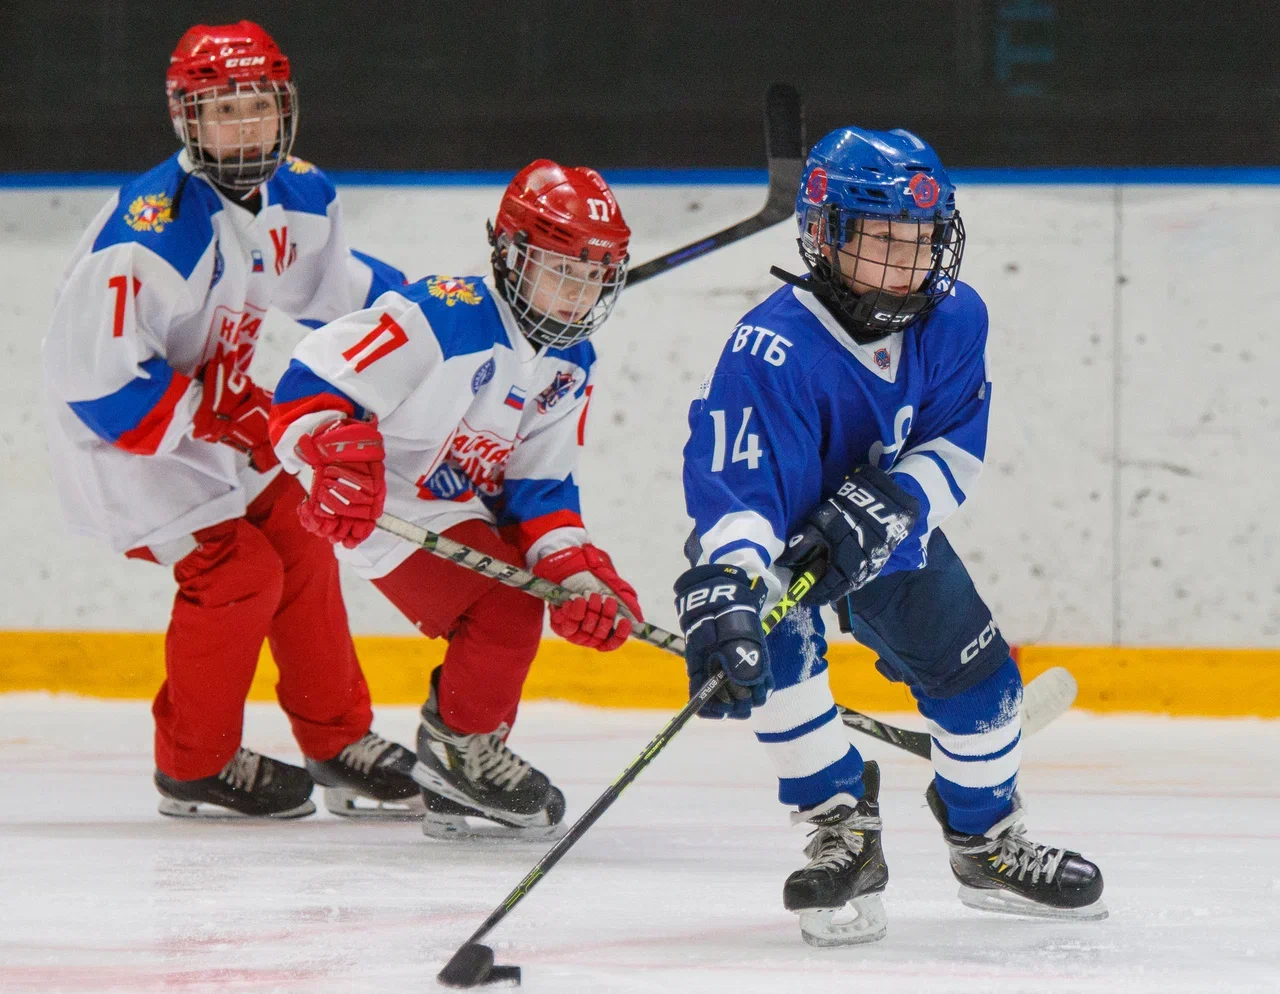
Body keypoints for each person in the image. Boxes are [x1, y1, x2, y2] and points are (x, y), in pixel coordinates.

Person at [674, 126, 1105, 946]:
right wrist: (732, 583)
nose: (907, 262)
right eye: (882, 240)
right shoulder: (769, 350)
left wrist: (898, 506)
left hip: (890, 534)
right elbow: (737, 490)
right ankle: (841, 828)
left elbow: (954, 448)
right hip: (783, 544)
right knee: (778, 654)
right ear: (824, 234)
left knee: (982, 684)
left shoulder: (956, 318)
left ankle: (988, 842)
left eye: (920, 240)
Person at [41, 21, 418, 819]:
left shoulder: (298, 195)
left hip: (208, 410)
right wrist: (216, 414)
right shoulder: (152, 235)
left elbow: (340, 294)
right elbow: (98, 386)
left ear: (286, 109)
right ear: (188, 121)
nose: (244, 128)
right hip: (120, 438)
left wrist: (435, 313)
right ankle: (194, 764)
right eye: (223, 111)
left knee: (300, 531)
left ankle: (336, 741)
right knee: (235, 572)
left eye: (257, 107)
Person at [268, 159, 643, 840]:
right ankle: (456, 753)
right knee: (505, 604)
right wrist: (331, 456)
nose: (577, 294)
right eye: (561, 269)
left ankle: (466, 756)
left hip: (453, 503)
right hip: (376, 498)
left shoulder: (571, 363)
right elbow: (312, 381)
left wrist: (577, 572)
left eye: (594, 276)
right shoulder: (445, 314)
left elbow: (539, 489)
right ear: (511, 254)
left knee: (520, 595)